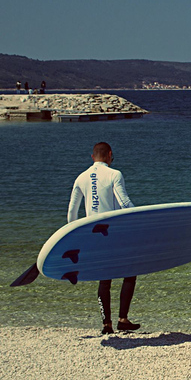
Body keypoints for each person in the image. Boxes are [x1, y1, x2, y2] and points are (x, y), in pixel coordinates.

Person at [68, 142, 141, 335]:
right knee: (130, 272)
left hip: (93, 236)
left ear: (92, 157)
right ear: (109, 155)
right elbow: (124, 201)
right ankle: (123, 319)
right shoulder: (114, 174)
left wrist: (74, 238)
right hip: (115, 233)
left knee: (104, 279)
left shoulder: (81, 178)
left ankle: (106, 324)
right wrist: (142, 219)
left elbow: (72, 214)